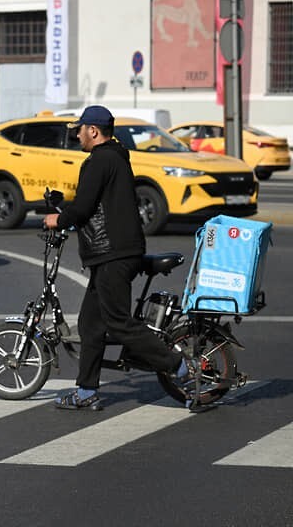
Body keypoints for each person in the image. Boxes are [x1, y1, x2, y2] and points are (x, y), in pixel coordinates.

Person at [43, 105, 194, 411]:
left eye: (80, 130)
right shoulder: (117, 157)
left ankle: (176, 363)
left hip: (113, 253)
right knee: (90, 323)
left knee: (118, 322)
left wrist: (56, 220)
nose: (78, 135)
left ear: (93, 131)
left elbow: (83, 208)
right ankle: (86, 391)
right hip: (114, 252)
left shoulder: (98, 161)